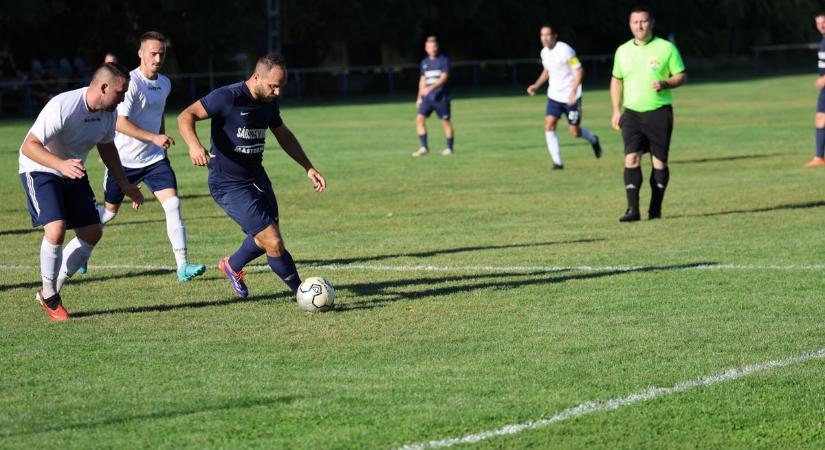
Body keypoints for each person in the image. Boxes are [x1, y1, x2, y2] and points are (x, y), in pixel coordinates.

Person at [177, 53, 326, 298]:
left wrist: (308, 167)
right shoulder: (228, 96)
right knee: (274, 241)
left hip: (257, 178)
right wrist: (194, 145)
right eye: (273, 86)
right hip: (228, 183)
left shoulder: (269, 101)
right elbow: (186, 115)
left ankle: (232, 265)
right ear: (256, 77)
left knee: (265, 238)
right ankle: (303, 292)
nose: (277, 92)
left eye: (280, 86)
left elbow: (283, 134)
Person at [18, 62, 144, 321]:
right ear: (104, 87)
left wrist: (124, 184)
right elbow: (29, 146)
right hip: (40, 167)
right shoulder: (63, 105)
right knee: (56, 229)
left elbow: (107, 148)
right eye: (120, 92)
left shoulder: (108, 114)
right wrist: (60, 164)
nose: (123, 97)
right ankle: (51, 296)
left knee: (92, 232)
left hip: (71, 170)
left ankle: (49, 290)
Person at [84, 32, 206, 282]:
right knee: (108, 214)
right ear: (140, 53)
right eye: (153, 53)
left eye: (162, 53)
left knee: (173, 205)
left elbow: (158, 114)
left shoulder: (165, 83)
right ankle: (80, 250)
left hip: (153, 160)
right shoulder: (130, 84)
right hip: (123, 161)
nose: (158, 57)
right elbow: (119, 123)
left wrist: (159, 139)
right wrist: (153, 137)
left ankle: (182, 267)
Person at [610, 6, 686, 222]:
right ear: (630, 24)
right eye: (635, 22)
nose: (640, 26)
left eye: (643, 21)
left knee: (659, 162)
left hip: (658, 113)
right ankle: (632, 210)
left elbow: (681, 75)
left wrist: (665, 83)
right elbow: (616, 80)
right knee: (631, 158)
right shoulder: (622, 51)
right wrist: (616, 110)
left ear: (651, 23)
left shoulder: (666, 48)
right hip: (631, 113)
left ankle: (655, 208)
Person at [527, 25, 602, 170]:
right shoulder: (544, 53)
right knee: (549, 125)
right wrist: (536, 85)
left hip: (571, 97)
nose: (545, 38)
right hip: (554, 95)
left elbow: (579, 70)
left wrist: (574, 91)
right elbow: (548, 70)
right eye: (542, 35)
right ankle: (558, 163)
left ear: (555, 36)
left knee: (574, 132)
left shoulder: (565, 50)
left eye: (548, 35)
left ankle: (593, 140)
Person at [412, 36, 454, 157]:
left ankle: (449, 148)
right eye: (429, 46)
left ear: (437, 47)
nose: (432, 49)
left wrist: (431, 88)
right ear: (426, 48)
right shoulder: (424, 62)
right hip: (427, 99)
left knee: (445, 121)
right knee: (419, 119)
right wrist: (419, 97)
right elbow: (422, 80)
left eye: (433, 46)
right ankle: (424, 147)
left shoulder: (443, 60)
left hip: (441, 98)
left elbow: (444, 77)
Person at [805, 12, 825, 167]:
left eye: (824, 22)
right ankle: (819, 157)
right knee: (820, 119)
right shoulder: (823, 41)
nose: (821, 26)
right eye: (818, 24)